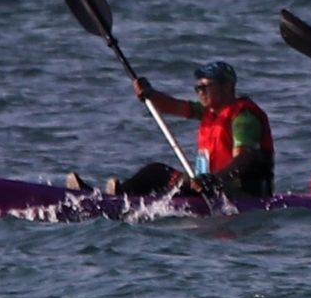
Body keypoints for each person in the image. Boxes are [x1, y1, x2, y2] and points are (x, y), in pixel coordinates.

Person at [73, 59, 274, 199]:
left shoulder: (243, 119)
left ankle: (115, 201)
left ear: (226, 87)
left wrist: (214, 180)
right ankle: (111, 198)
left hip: (239, 194)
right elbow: (173, 106)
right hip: (207, 187)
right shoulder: (209, 112)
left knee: (158, 175)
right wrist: (149, 93)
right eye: (198, 88)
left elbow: (244, 159)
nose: (200, 92)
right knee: (157, 173)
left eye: (205, 87)